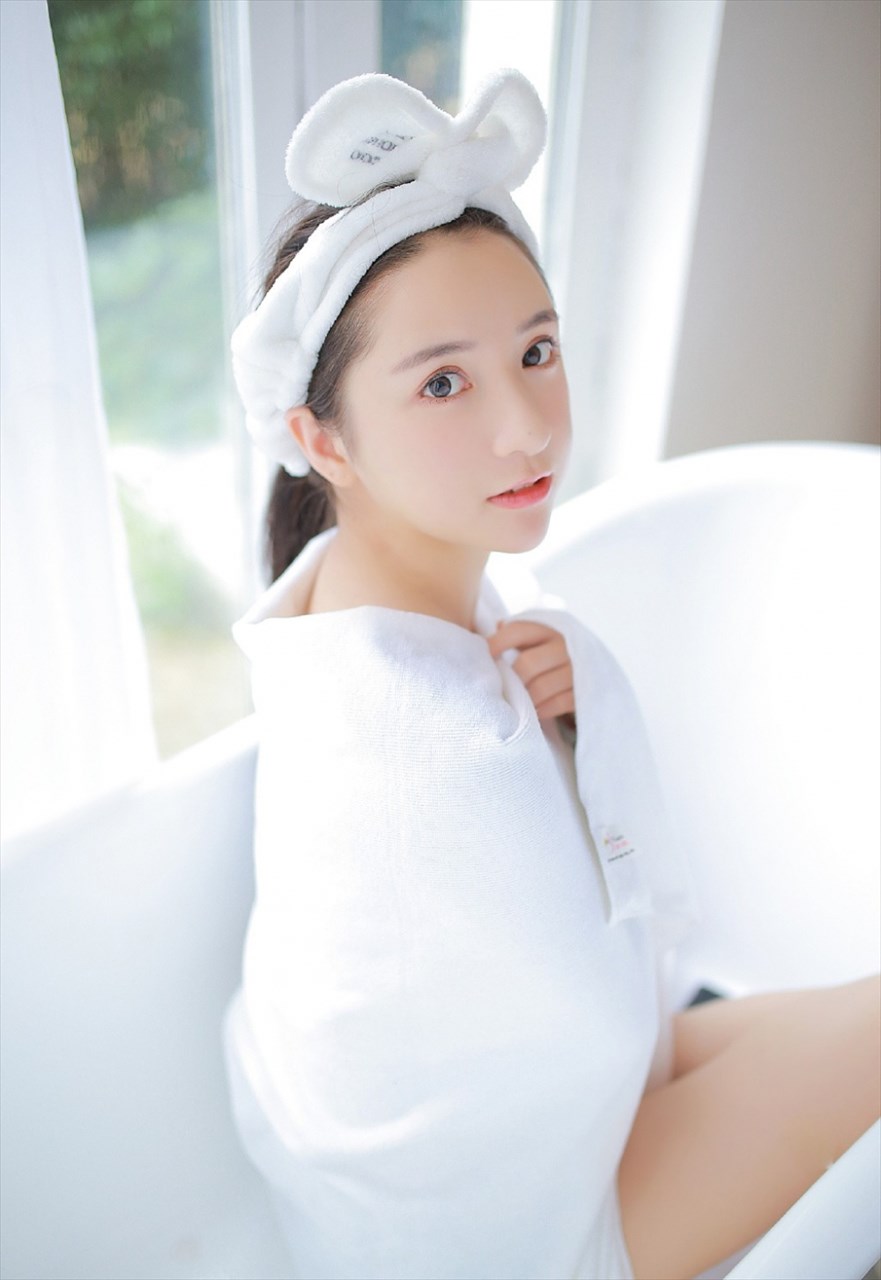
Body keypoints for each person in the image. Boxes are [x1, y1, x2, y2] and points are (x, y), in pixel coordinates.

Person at [222, 69, 880, 1280]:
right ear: (319, 437)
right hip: (503, 1221)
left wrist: (580, 696)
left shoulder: (353, 600)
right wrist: (583, 721)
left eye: (535, 350)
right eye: (442, 381)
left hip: (504, 1124)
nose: (525, 425)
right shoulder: (424, 745)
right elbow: (568, 1004)